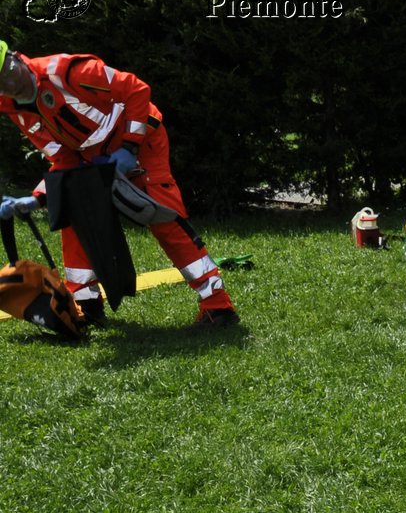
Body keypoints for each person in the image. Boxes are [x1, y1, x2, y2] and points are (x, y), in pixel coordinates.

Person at [0, 40, 239, 327]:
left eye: (7, 73)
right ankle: (86, 304)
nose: (10, 84)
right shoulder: (13, 107)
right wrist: (38, 196)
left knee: (163, 216)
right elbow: (64, 159)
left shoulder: (68, 72)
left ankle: (218, 305)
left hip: (140, 142)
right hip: (94, 156)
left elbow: (137, 90)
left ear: (16, 58)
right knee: (75, 216)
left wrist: (129, 146)